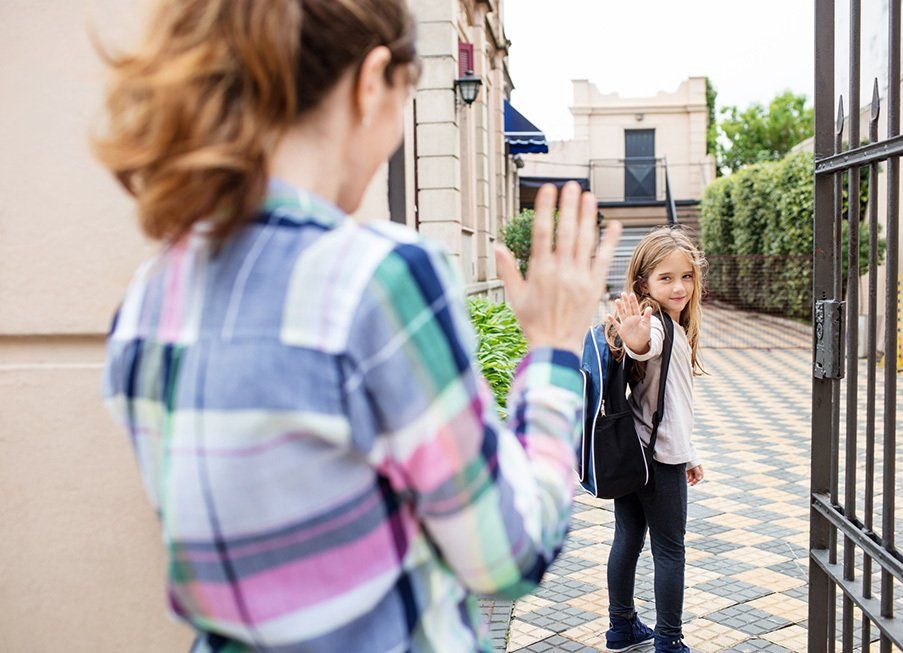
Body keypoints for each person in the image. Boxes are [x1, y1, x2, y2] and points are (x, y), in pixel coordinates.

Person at [93, 1, 621, 651]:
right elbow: (509, 554)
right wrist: (554, 351)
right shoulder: (380, 279)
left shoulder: (151, 297)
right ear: (372, 82)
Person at [601, 227, 707, 653]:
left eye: (687, 276)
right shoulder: (656, 325)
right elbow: (646, 346)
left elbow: (670, 402)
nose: (679, 286)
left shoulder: (672, 324)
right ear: (644, 283)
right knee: (670, 551)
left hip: (635, 452)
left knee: (627, 539)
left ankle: (622, 627)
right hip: (658, 462)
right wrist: (636, 338)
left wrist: (691, 453)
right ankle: (669, 640)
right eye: (666, 278)